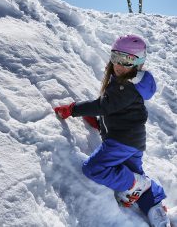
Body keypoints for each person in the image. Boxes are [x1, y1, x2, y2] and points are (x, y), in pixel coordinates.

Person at [54, 35, 170, 227]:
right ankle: (153, 206)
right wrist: (100, 125)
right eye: (116, 57)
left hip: (121, 141)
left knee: (94, 169)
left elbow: (104, 106)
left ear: (139, 62)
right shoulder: (129, 83)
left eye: (127, 60)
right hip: (132, 141)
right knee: (133, 172)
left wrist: (74, 109)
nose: (119, 65)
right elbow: (118, 112)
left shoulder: (126, 86)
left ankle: (136, 185)